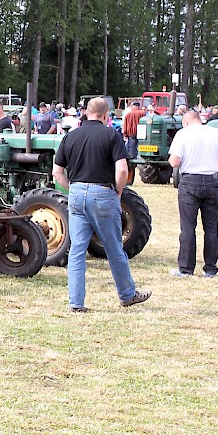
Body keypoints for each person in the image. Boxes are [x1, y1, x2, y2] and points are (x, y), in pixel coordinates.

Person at [52, 97, 151, 311]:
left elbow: (57, 172)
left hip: (77, 194)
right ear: (106, 115)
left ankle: (76, 302)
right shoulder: (111, 135)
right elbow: (123, 170)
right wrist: (118, 191)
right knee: (114, 247)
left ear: (86, 113)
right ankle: (127, 294)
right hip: (103, 193)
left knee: (77, 249)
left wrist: (73, 189)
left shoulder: (70, 137)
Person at [167, 109, 218, 278]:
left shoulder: (183, 134)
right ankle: (210, 269)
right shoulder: (216, 133)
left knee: (188, 227)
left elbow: (174, 162)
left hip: (190, 181)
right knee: (211, 228)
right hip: (211, 180)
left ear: (186, 122)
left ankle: (186, 268)